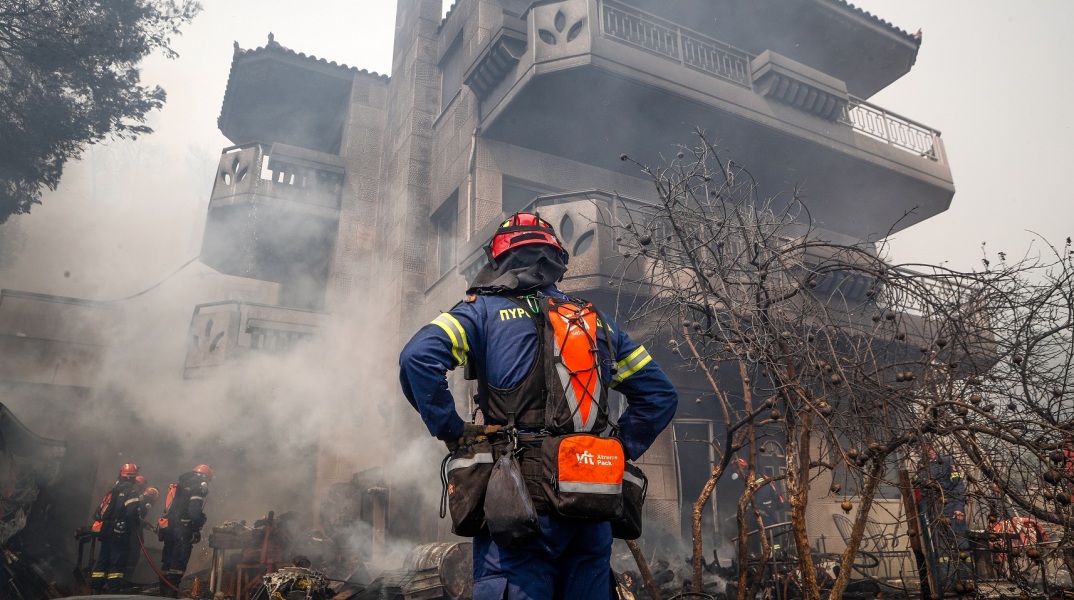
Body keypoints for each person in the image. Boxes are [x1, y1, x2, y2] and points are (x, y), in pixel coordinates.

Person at [399, 212, 678, 600]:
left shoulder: (481, 312)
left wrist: (453, 430)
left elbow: (417, 358)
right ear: (556, 260)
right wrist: (615, 451)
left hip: (518, 502)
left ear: (499, 260)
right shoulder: (595, 322)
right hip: (591, 497)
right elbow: (660, 395)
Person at [914, 439, 968, 595]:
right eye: (917, 447)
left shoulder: (947, 461)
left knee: (961, 546)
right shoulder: (921, 465)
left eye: (921, 446)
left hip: (952, 509)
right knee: (942, 549)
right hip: (935, 512)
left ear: (929, 446)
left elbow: (958, 484)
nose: (919, 449)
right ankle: (949, 584)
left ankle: (966, 581)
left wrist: (959, 508)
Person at [158, 464, 213, 597]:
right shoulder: (197, 488)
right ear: (204, 478)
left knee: (167, 563)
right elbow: (194, 514)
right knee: (178, 564)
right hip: (182, 530)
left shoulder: (181, 485)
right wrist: (199, 523)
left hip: (169, 529)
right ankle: (171, 594)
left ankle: (163, 593)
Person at [89, 462, 143, 594]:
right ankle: (112, 589)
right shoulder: (131, 492)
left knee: (103, 557)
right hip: (120, 532)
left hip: (106, 530)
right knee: (117, 560)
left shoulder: (113, 491)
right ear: (133, 477)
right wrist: (135, 523)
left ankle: (96, 587)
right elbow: (131, 513)